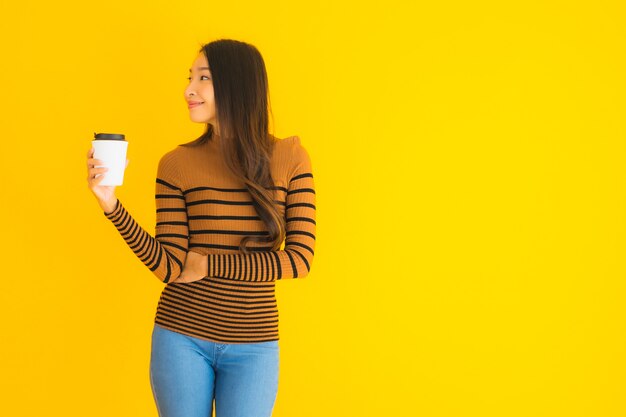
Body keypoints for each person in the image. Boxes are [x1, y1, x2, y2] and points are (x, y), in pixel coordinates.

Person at [85, 38, 316, 417]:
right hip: (180, 336)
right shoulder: (176, 164)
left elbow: (300, 260)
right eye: (190, 77)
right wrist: (110, 204)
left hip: (254, 344)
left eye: (202, 78)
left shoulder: (290, 157)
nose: (188, 90)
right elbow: (171, 267)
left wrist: (210, 264)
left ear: (236, 84)